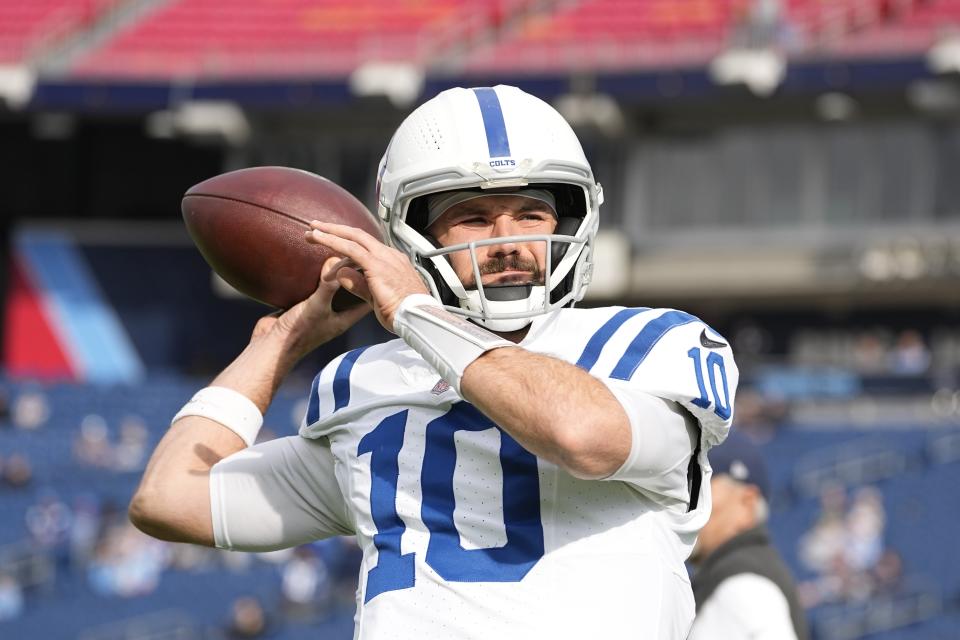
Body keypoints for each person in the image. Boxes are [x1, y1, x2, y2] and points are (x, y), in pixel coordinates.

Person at [129, 85, 739, 639]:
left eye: (531, 213)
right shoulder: (368, 387)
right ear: (412, 236)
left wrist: (418, 315)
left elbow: (580, 434)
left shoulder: (650, 343)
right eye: (472, 218)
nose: (508, 241)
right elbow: (169, 499)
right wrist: (278, 342)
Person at [688, 431, 808, 640]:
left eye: (698, 486)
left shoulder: (743, 584)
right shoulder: (726, 575)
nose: (684, 500)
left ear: (747, 503)